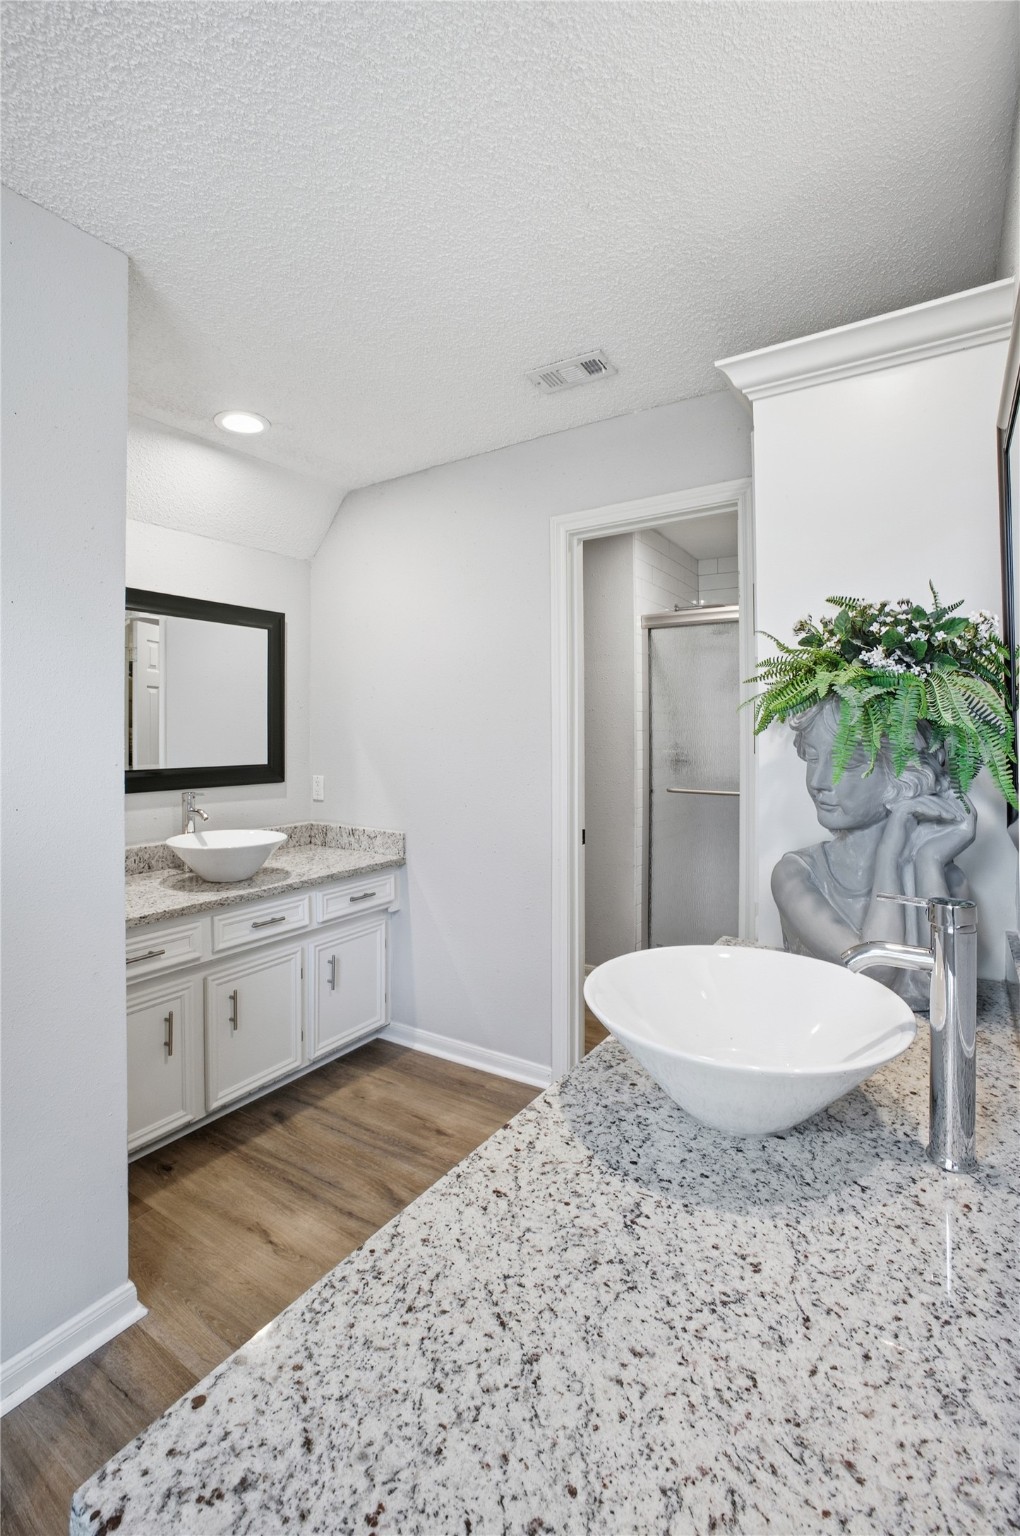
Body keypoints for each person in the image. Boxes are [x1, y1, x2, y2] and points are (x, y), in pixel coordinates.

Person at [771, 695, 975, 1008]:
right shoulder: (795, 876)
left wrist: (928, 861)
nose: (818, 781)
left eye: (846, 763)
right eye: (813, 758)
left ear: (901, 776)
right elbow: (875, 971)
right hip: (819, 1041)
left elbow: (948, 1000)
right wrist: (889, 853)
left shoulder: (944, 878)